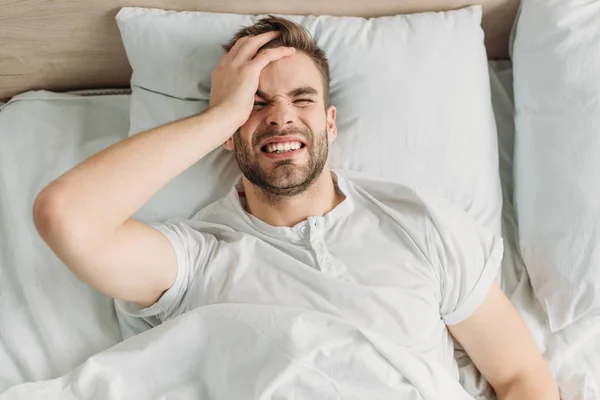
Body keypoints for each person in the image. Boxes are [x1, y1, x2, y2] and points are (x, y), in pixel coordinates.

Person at [33, 16, 559, 399]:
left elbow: (521, 377)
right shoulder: (199, 258)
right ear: (226, 131)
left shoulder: (419, 222)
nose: (281, 116)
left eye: (301, 99)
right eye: (257, 104)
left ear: (330, 123)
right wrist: (219, 117)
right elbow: (65, 216)